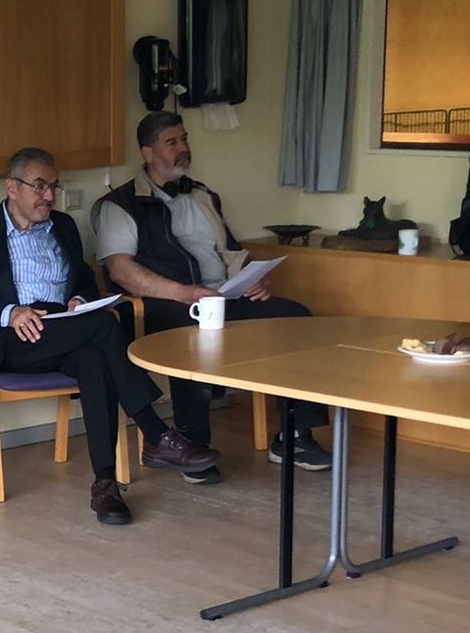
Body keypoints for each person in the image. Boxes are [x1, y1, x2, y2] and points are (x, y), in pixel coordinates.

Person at [0, 147, 219, 526]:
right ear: (12, 188)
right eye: (39, 186)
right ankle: (155, 433)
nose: (49, 196)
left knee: (94, 360)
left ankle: (105, 486)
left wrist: (79, 300)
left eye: (53, 186)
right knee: (104, 326)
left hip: (61, 330)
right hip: (3, 338)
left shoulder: (64, 226)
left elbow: (84, 281)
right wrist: (9, 312)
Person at [93, 111, 331, 478]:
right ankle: (192, 444)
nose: (183, 149)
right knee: (192, 336)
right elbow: (121, 271)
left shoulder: (202, 195)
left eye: (184, 139)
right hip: (165, 305)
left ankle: (294, 435)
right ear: (148, 153)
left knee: (296, 318)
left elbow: (229, 252)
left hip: (223, 298)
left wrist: (250, 279)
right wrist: (185, 293)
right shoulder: (121, 205)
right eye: (172, 142)